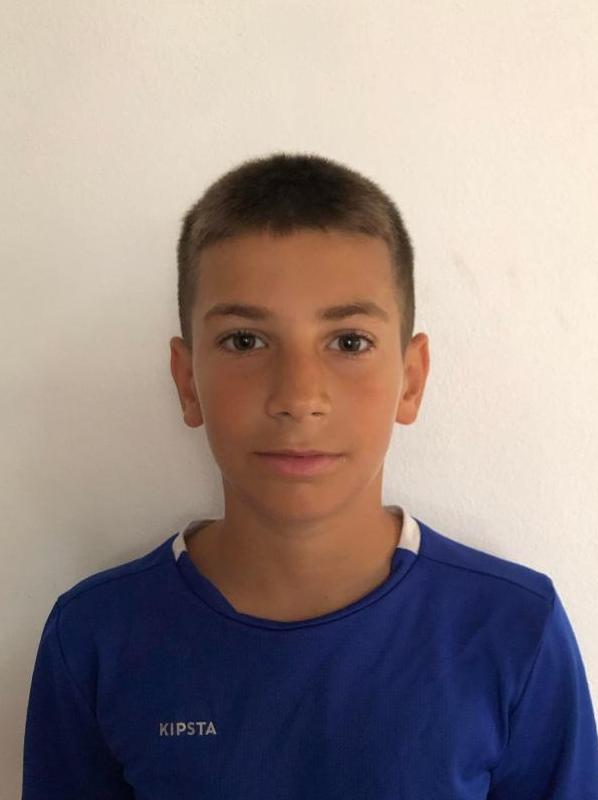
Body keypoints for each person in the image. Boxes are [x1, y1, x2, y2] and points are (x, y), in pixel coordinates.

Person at [22, 152, 598, 799]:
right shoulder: (95, 639)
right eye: (245, 341)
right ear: (187, 382)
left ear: (411, 380)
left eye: (349, 342)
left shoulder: (514, 630)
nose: (298, 397)